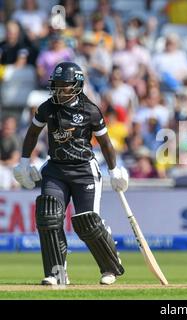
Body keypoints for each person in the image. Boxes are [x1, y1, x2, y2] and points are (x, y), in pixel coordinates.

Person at [13, 62, 129, 286]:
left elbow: (105, 143)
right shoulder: (47, 107)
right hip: (55, 170)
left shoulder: (90, 110)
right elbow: (32, 134)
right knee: (49, 216)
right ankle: (57, 273)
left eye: (63, 86)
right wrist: (24, 163)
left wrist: (114, 172)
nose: (58, 90)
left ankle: (109, 267)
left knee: (88, 222)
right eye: (55, 85)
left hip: (84, 172)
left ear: (76, 86)